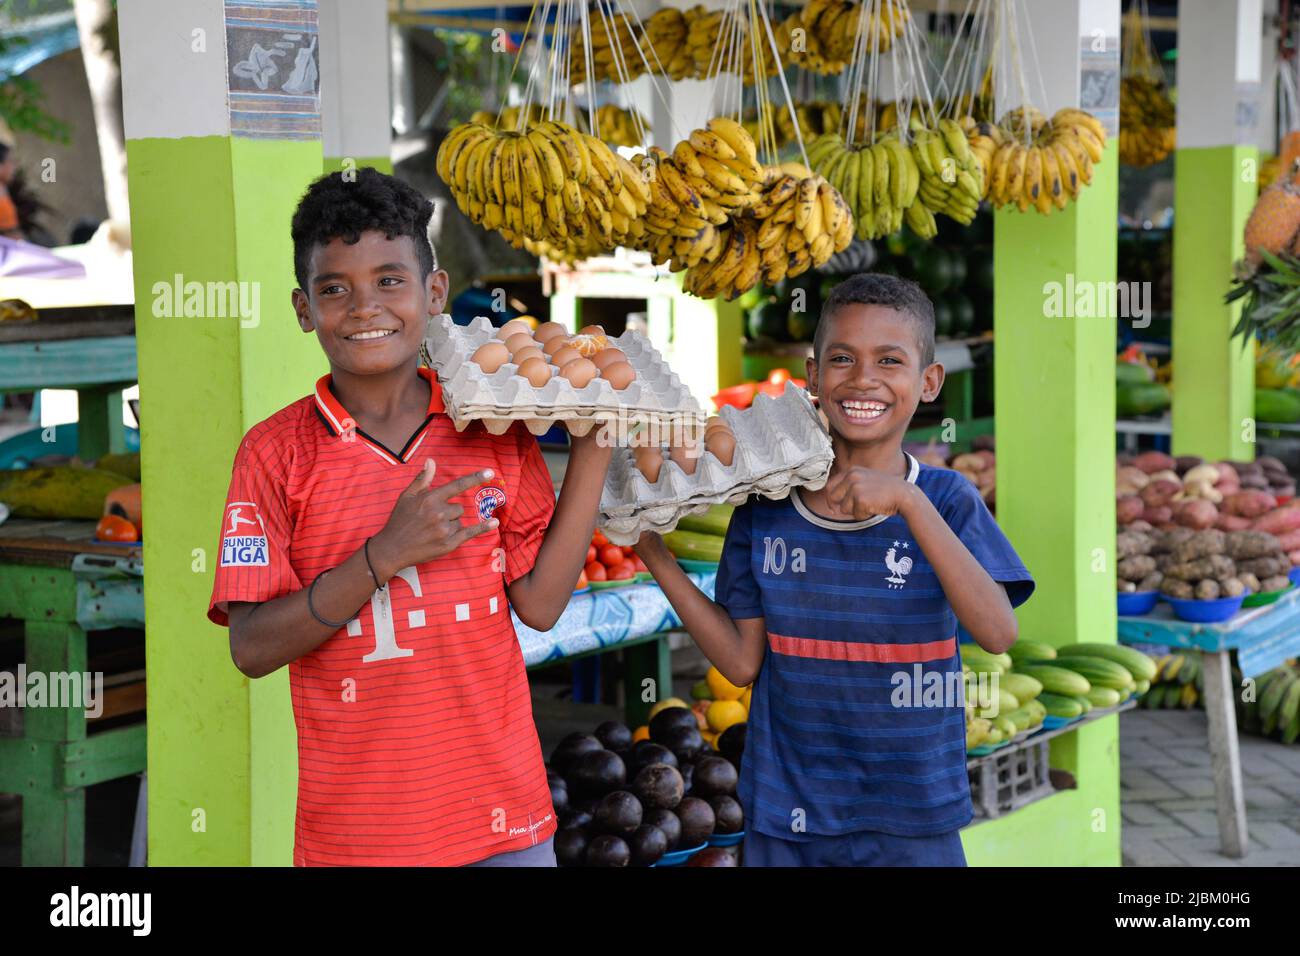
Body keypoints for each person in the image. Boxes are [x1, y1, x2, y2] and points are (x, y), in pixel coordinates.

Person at [207, 168, 612, 866]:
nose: (365, 307)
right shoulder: (273, 455)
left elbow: (542, 607)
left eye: (390, 280)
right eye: (335, 288)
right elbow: (252, 647)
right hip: (361, 838)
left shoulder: (489, 428)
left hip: (505, 821)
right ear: (304, 309)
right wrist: (380, 558)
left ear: (433, 294)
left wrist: (594, 451)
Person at [634, 273, 1035, 867]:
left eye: (890, 360)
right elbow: (743, 664)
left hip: (911, 810)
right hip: (789, 809)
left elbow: (997, 632)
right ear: (814, 375)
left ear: (928, 382)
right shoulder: (765, 509)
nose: (864, 378)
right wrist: (654, 555)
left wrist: (908, 501)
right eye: (842, 359)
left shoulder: (947, 500)